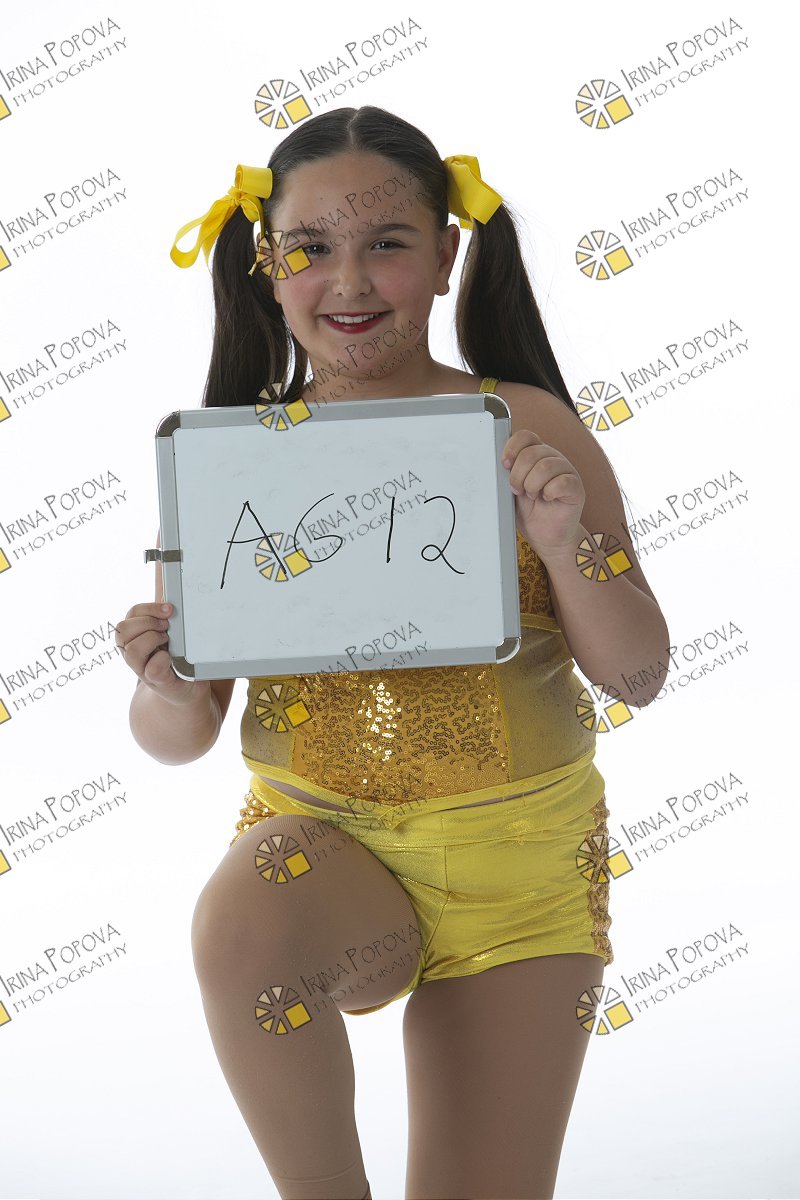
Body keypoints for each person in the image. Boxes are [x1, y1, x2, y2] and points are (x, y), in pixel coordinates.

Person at [117, 106, 670, 1200]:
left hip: (520, 871)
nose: (349, 279)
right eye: (311, 248)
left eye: (386, 242)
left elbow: (635, 675)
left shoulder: (521, 422)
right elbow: (179, 738)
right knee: (240, 919)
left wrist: (567, 543)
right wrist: (166, 681)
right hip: (321, 854)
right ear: (268, 265)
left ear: (447, 257)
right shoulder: (240, 456)